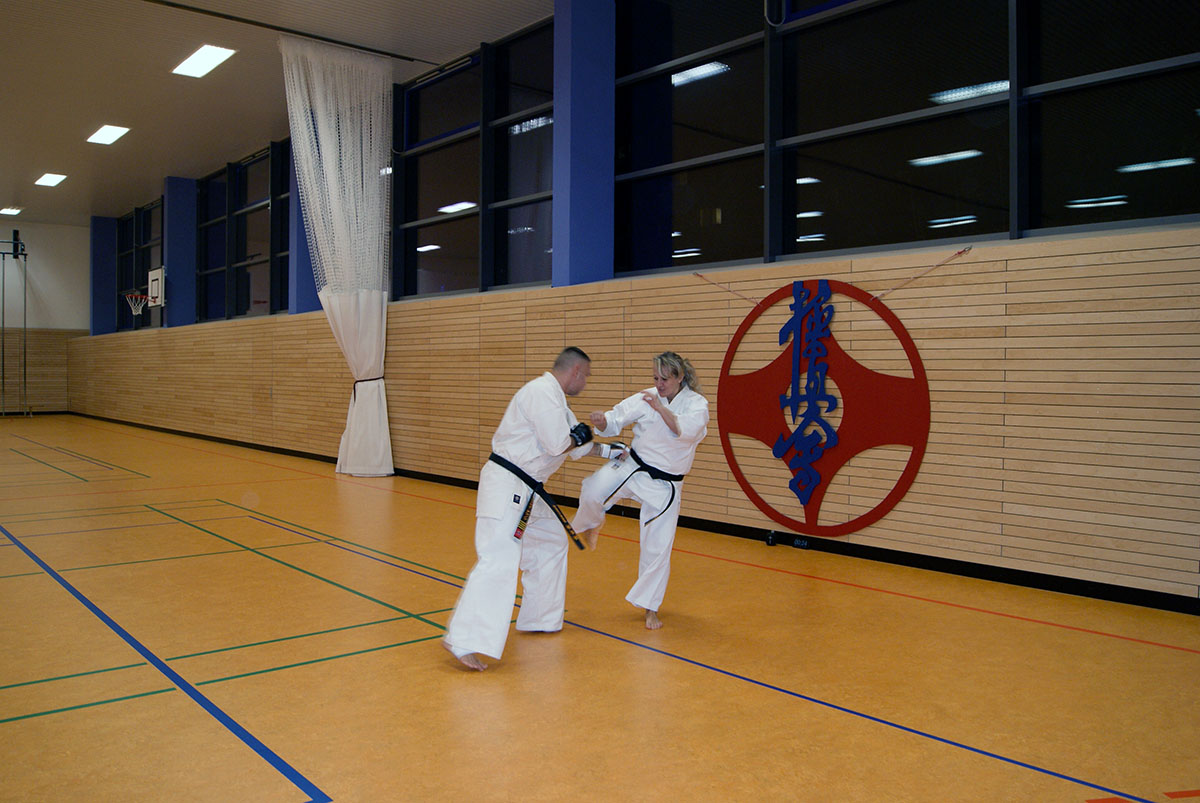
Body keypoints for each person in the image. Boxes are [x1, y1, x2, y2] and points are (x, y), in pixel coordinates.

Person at [443, 346, 596, 671]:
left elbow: (578, 448)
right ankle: (464, 640)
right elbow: (560, 443)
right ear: (575, 371)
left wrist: (614, 452)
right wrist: (579, 436)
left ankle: (540, 617)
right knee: (499, 557)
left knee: (551, 539)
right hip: (508, 485)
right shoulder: (541, 392)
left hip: (528, 489)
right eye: (586, 376)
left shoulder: (558, 402)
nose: (586, 383)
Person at [572, 352, 709, 630]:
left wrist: (660, 409)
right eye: (656, 378)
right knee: (593, 489)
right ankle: (592, 523)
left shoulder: (697, 405)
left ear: (680, 377)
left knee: (657, 548)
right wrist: (603, 421)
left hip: (665, 486)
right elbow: (616, 418)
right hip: (633, 466)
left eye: (665, 379)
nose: (659, 384)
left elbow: (682, 431)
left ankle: (650, 609)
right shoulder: (648, 396)